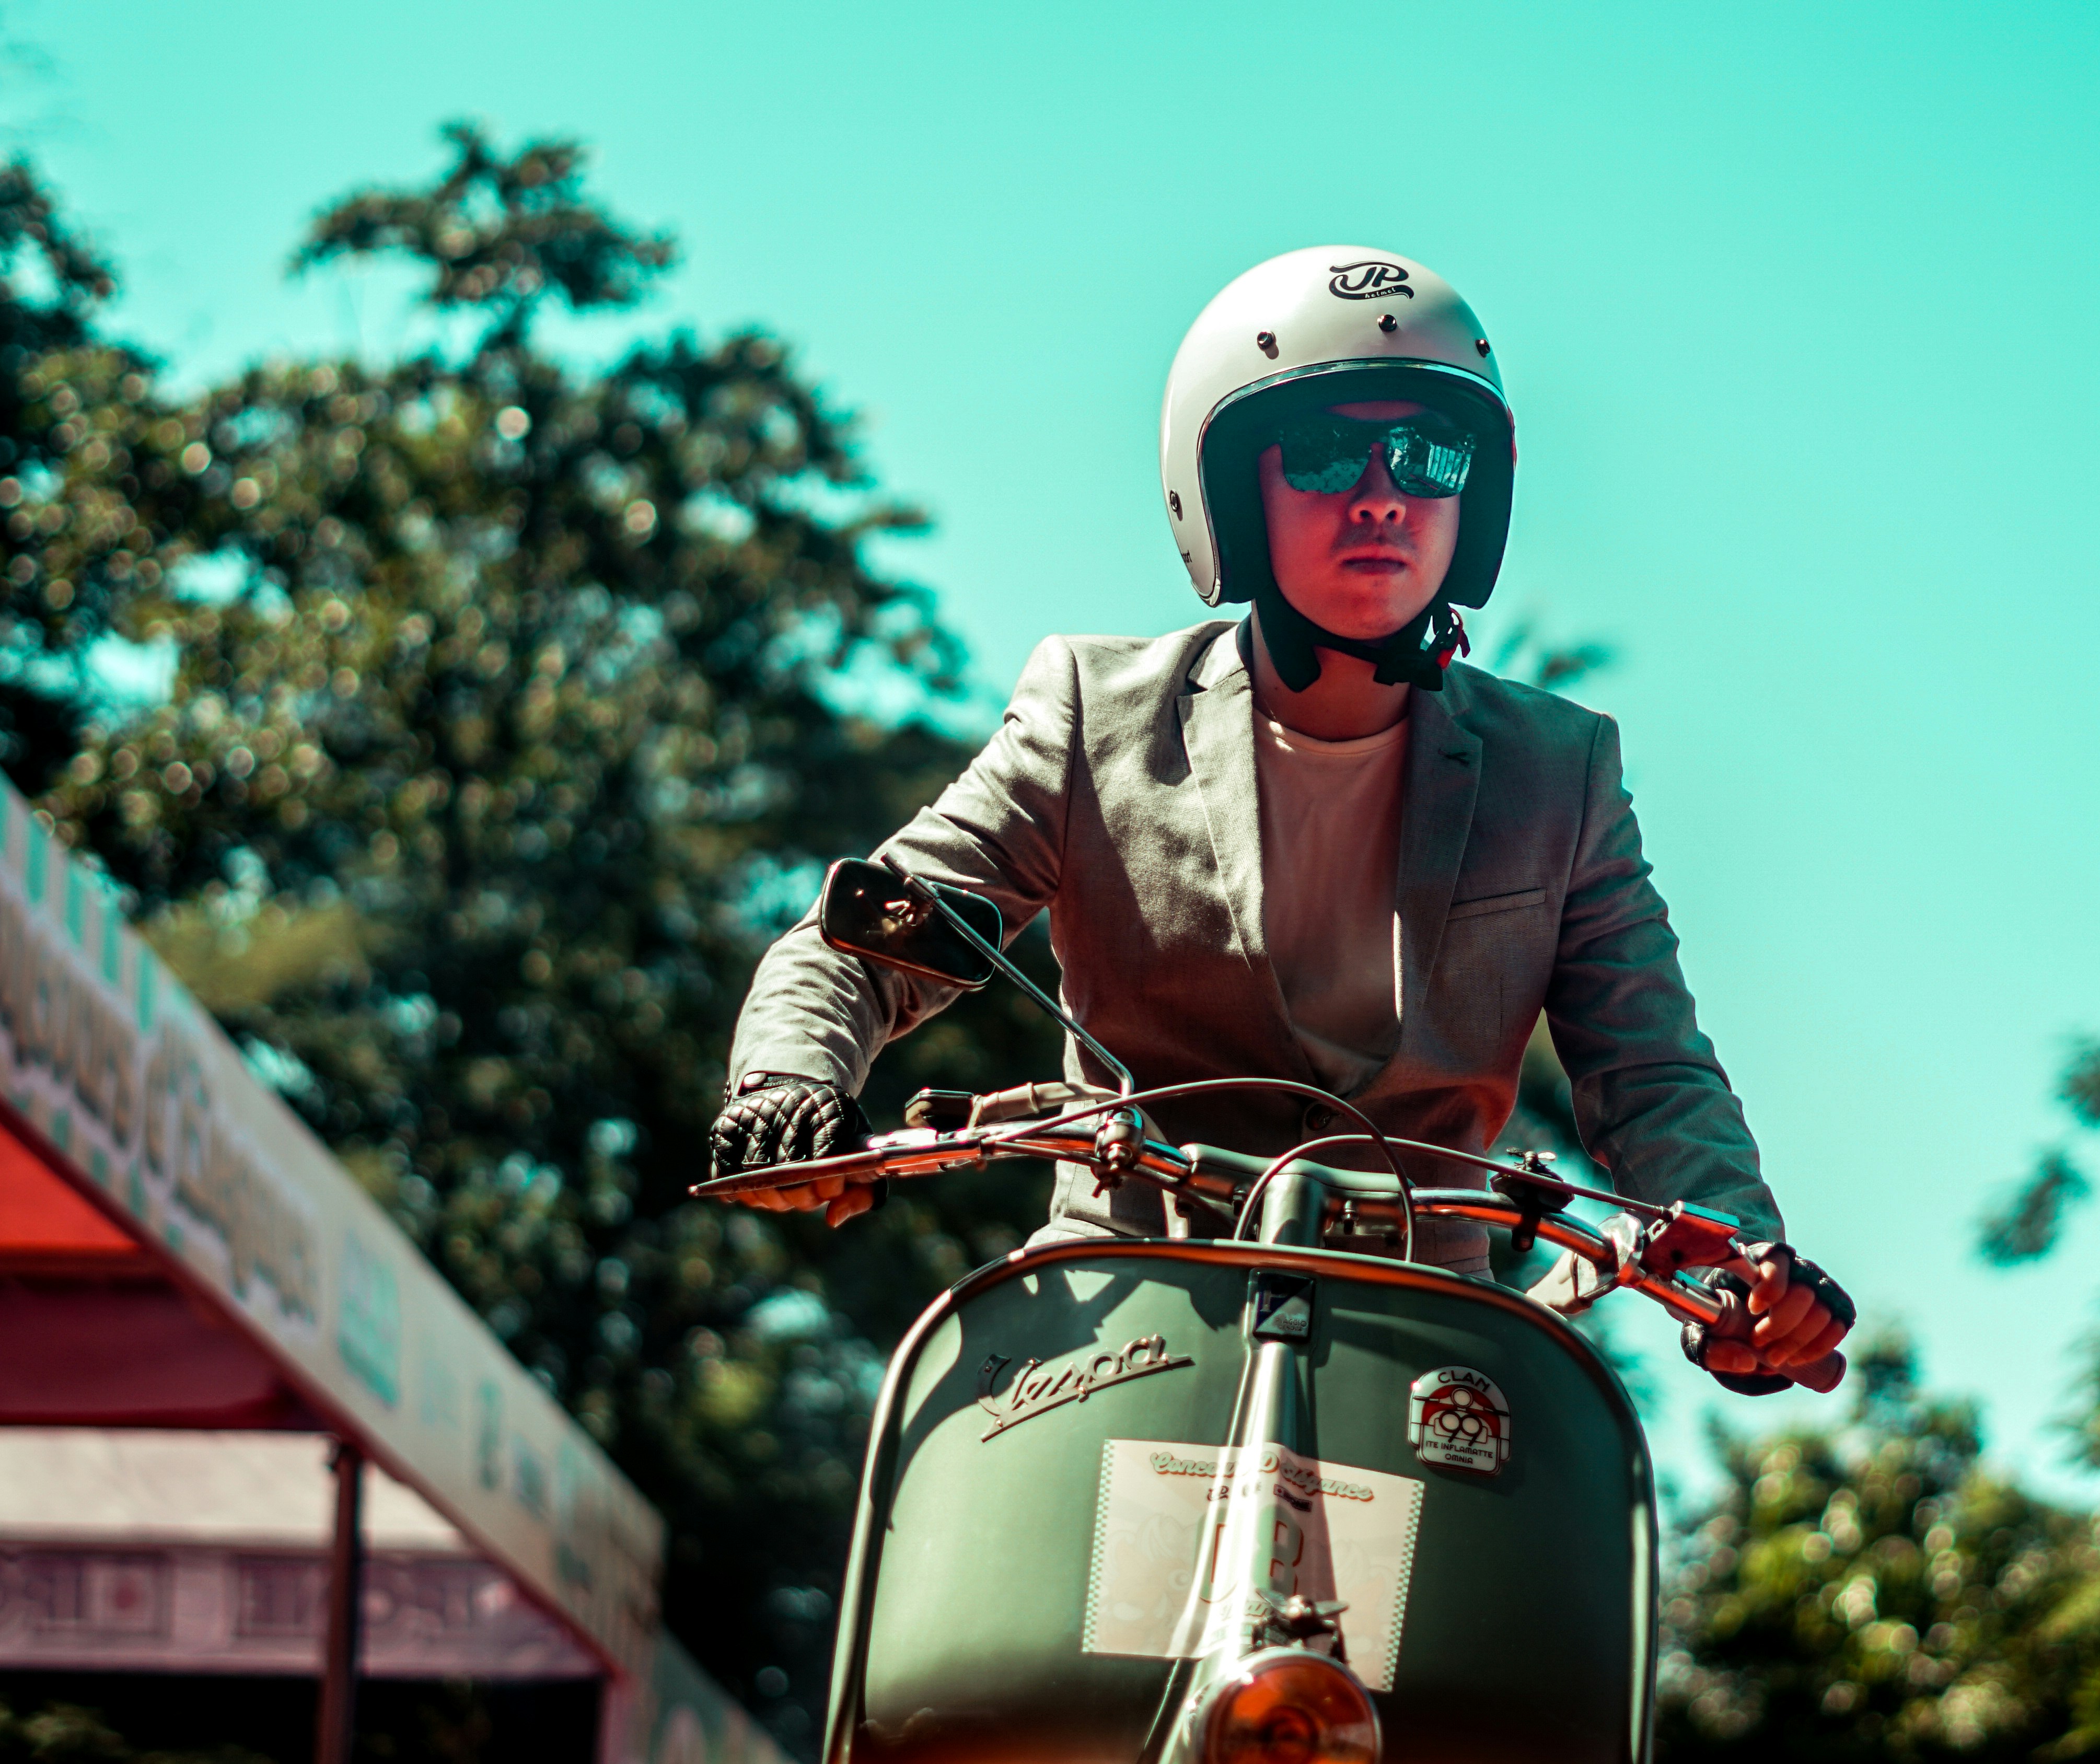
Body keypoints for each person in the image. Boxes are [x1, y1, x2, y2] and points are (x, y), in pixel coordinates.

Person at [712, 247, 1851, 1389]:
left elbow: (1651, 1069)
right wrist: (789, 1082)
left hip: (1426, 1347)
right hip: (1123, 1313)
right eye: (1318, 451)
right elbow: (868, 937)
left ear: (1476, 497)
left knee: (1550, 1555)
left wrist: (1740, 1266)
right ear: (1230, 495)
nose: (1381, 493)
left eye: (1427, 453)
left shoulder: (1561, 770)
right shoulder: (1093, 714)